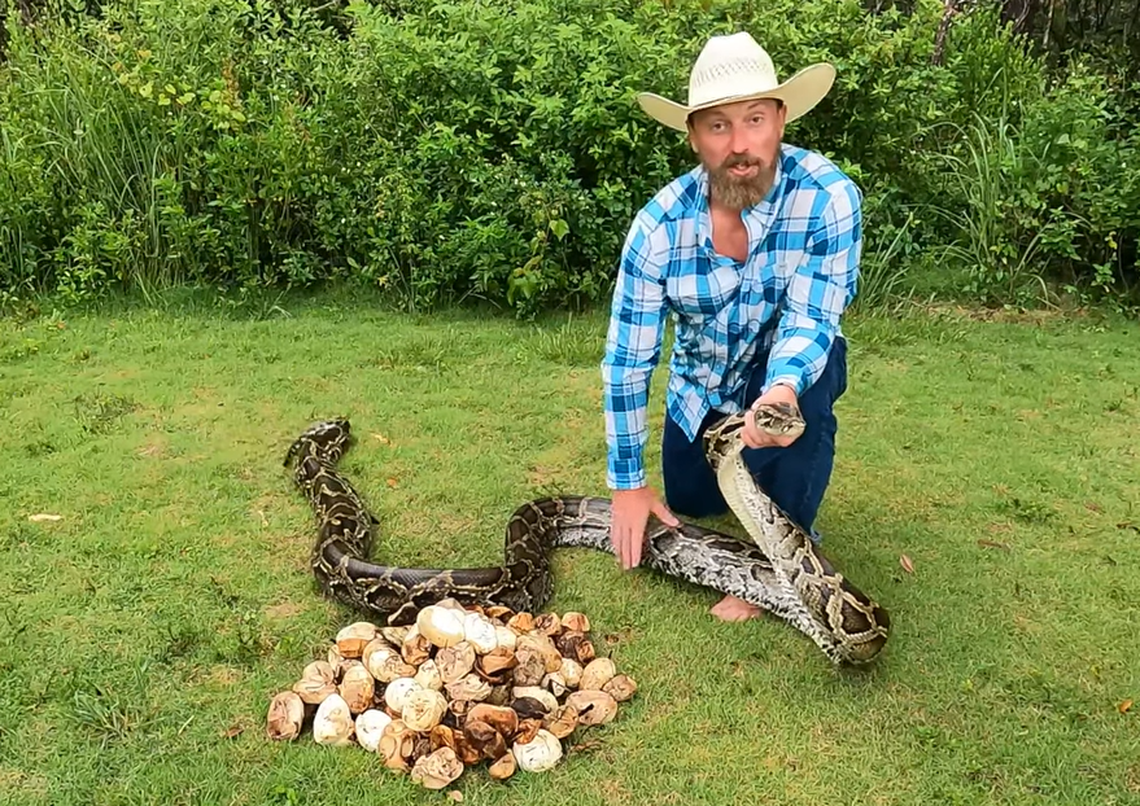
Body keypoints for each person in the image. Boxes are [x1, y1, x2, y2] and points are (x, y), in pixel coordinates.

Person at [600, 31, 862, 622]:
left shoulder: (829, 198)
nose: (740, 144)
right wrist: (627, 484)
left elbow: (812, 315)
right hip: (703, 389)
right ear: (693, 135)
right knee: (692, 498)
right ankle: (742, 462)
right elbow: (628, 360)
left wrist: (782, 391)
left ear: (781, 119)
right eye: (718, 126)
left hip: (784, 378)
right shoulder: (657, 229)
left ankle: (775, 568)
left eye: (754, 119)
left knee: (809, 396)